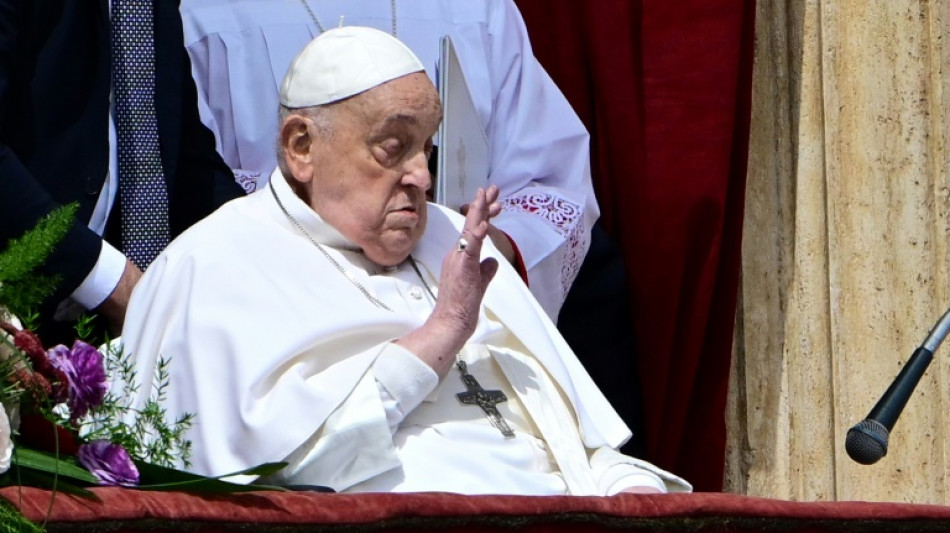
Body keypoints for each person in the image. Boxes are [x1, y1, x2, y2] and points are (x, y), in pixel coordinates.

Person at [119, 27, 689, 495]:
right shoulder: (215, 264)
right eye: (393, 148)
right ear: (301, 147)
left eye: (427, 148)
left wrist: (630, 489)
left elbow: (577, 440)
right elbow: (280, 475)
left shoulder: (452, 236)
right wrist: (441, 334)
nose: (422, 176)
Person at [179, 0, 595, 321]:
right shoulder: (205, 13)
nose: (419, 177)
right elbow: (197, 184)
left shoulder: (477, 9)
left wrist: (486, 244)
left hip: (463, 304)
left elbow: (550, 181)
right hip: (294, 305)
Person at [0, 0, 244, 341]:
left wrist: (267, 242)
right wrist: (110, 280)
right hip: (22, 303)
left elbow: (183, 157)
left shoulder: (147, 9)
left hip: (109, 321)